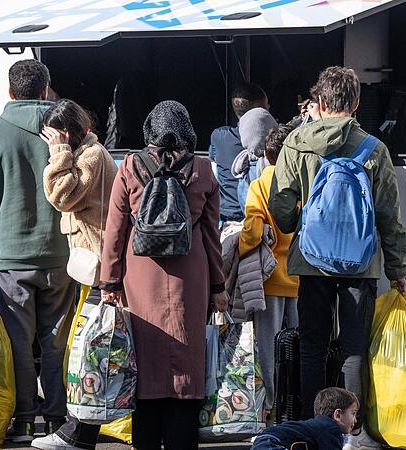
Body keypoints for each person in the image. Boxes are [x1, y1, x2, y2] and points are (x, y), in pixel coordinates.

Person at [269, 66, 406, 449]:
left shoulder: (296, 143)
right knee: (352, 350)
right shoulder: (374, 149)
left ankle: (316, 429)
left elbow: (280, 211)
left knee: (312, 345)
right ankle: (353, 434)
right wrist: (398, 270)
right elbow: (389, 217)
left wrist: (306, 220)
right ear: (357, 103)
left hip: (312, 262)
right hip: (361, 264)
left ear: (321, 102)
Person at [99, 100, 228, 449]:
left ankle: (145, 440)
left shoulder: (130, 166)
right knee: (187, 359)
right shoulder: (202, 170)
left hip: (140, 277)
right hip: (192, 277)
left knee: (144, 363)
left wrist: (109, 281)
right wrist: (218, 286)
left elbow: (115, 231)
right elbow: (212, 237)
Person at [0, 60, 76, 443]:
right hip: (61, 256)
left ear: (10, 93)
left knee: (19, 346)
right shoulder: (66, 132)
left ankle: (24, 420)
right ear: (46, 91)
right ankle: (57, 421)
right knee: (57, 343)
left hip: (10, 259)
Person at [31, 99, 118, 450]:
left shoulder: (90, 156)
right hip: (93, 265)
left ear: (65, 132)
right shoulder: (90, 152)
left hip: (99, 267)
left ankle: (78, 433)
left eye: (54, 135)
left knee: (91, 350)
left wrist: (59, 153)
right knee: (89, 349)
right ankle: (77, 428)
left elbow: (61, 195)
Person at [238, 125, 298, 417]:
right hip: (301, 278)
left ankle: (271, 405)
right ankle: (297, 402)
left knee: (268, 347)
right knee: (299, 344)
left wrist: (236, 245)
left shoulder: (260, 185)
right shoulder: (302, 182)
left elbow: (251, 232)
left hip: (271, 279)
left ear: (266, 154)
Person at [208, 83, 269, 224]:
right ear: (260, 111)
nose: (269, 109)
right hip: (258, 216)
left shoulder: (219, 136)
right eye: (266, 106)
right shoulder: (271, 139)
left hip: (227, 215)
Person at [251, 387, 359, 450]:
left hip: (264, 439)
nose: (355, 420)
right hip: (271, 443)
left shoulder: (317, 427)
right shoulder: (330, 428)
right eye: (353, 413)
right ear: (338, 415)